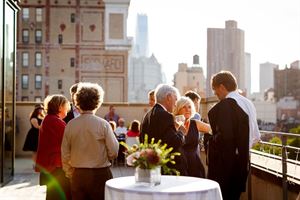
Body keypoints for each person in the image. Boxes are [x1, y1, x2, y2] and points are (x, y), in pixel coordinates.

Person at [61, 82, 119, 200]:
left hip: (78, 174)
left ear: (78, 102)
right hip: (100, 174)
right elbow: (113, 152)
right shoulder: (103, 124)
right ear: (97, 103)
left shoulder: (70, 125)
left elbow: (65, 154)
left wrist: (70, 172)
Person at [207, 71, 251, 200]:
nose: (215, 94)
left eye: (215, 90)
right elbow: (255, 136)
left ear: (221, 87)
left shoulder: (225, 106)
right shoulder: (248, 103)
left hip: (225, 168)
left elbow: (224, 138)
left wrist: (209, 139)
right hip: (242, 164)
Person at [140, 84, 187, 175]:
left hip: (151, 167)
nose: (176, 103)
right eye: (176, 99)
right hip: (166, 169)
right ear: (169, 97)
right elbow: (174, 143)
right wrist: (181, 131)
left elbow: (161, 137)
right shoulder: (166, 116)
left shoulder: (147, 115)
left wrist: (174, 128)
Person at [35, 95, 71, 200]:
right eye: (66, 107)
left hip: (50, 165)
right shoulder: (56, 122)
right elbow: (67, 141)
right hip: (56, 165)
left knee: (52, 195)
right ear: (60, 107)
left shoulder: (48, 119)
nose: (67, 110)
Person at [173, 96, 211, 178]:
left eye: (189, 107)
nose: (187, 109)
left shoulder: (195, 123)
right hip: (178, 167)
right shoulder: (173, 124)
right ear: (178, 109)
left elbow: (214, 130)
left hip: (195, 166)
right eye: (184, 107)